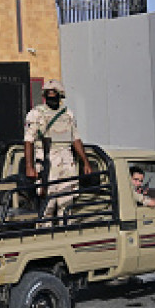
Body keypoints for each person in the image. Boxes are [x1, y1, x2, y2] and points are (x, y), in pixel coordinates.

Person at [24, 79, 92, 223]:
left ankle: (65, 232)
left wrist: (86, 162)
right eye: (48, 94)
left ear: (60, 96)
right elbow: (28, 140)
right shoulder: (36, 113)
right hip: (48, 161)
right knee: (48, 203)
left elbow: (76, 139)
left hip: (67, 160)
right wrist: (29, 167)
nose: (51, 97)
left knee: (66, 202)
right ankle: (46, 235)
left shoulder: (67, 114)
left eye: (55, 94)